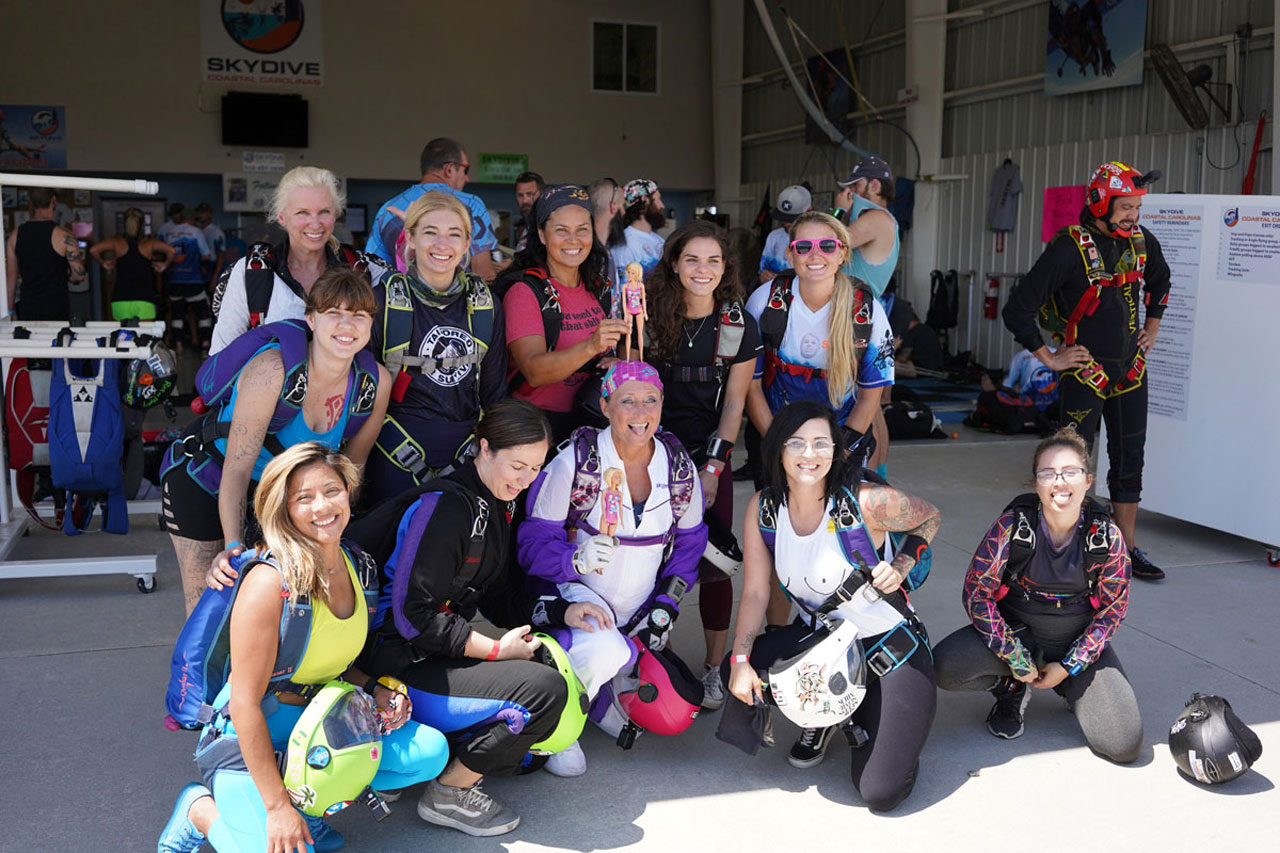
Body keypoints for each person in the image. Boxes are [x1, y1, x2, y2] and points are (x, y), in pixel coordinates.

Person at [157, 442, 449, 853]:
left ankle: (310, 811)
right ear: (283, 509)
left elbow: (329, 664)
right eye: (303, 497)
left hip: (321, 726)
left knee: (428, 753)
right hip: (253, 737)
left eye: (332, 490)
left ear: (348, 492)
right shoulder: (269, 583)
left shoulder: (357, 565)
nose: (322, 506)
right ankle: (202, 811)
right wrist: (277, 809)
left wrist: (375, 689)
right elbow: (244, 704)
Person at [348, 399, 612, 837]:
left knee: (544, 683)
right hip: (397, 662)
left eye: (535, 469)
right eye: (517, 466)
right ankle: (449, 793)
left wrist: (563, 611)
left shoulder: (494, 503)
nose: (525, 481)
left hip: (431, 652)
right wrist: (494, 649)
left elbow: (501, 596)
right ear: (484, 448)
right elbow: (413, 616)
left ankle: (435, 760)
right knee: (545, 693)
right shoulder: (449, 507)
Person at [724, 401, 941, 812]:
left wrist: (900, 563)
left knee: (879, 791)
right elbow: (755, 593)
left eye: (821, 443)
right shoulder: (765, 509)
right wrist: (739, 658)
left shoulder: (865, 502)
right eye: (797, 443)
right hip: (826, 646)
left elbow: (929, 518)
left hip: (888, 650)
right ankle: (827, 714)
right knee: (743, 668)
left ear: (838, 451)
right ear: (778, 450)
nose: (810, 454)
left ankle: (856, 714)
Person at [161, 268, 391, 614]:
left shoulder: (374, 383)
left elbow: (349, 475)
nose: (347, 326)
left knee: (283, 614)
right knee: (211, 610)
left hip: (278, 496)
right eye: (334, 314)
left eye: (359, 315)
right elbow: (236, 471)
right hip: (205, 481)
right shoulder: (273, 370)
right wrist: (234, 547)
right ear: (311, 320)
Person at [518, 361, 708, 777]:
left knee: (673, 711)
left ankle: (602, 688)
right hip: (576, 596)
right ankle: (553, 725)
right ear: (605, 405)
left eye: (650, 401)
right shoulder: (575, 463)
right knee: (607, 649)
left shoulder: (679, 468)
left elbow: (690, 546)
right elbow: (531, 546)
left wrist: (666, 607)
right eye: (627, 401)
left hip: (641, 607)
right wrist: (575, 559)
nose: (640, 414)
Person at [931, 426, 1141, 763]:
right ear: (1036, 484)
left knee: (1124, 744)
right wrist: (1014, 656)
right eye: (1048, 473)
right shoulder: (1014, 526)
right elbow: (976, 594)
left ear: (1088, 481)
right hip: (1017, 634)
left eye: (1071, 472)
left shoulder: (1107, 537)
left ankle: (1070, 686)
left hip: (1074, 641)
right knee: (945, 666)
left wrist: (1071, 665)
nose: (1060, 482)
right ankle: (1011, 688)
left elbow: (1112, 612)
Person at [1002, 161, 1170, 580]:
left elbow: (1161, 282)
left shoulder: (1140, 243)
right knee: (1070, 466)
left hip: (1130, 372)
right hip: (1084, 373)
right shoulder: (1069, 249)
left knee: (1130, 461)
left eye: (1136, 207)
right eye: (1126, 207)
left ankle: (1124, 554)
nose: (1134, 215)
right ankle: (1065, 550)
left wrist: (1152, 328)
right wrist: (1050, 357)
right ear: (1100, 203)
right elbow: (1017, 308)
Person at [644, 220, 762, 708]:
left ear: (725, 268)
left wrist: (713, 469)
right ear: (674, 263)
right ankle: (658, 658)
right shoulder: (648, 316)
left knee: (717, 565)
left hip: (710, 453)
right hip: (651, 454)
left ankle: (715, 668)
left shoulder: (737, 323)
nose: (703, 269)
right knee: (651, 560)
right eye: (692, 259)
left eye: (713, 260)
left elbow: (735, 404)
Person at [363, 191, 507, 507]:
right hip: (393, 455)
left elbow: (495, 395)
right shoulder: (382, 302)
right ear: (411, 238)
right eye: (430, 232)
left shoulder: (485, 307)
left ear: (468, 243)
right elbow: (360, 396)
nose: (442, 245)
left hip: (468, 457)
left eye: (454, 235)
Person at [745, 208, 895, 513]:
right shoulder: (765, 301)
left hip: (842, 439)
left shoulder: (867, 311)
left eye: (827, 246)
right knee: (778, 526)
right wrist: (781, 446)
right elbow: (751, 387)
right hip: (775, 433)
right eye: (804, 247)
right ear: (790, 254)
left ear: (842, 253)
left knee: (835, 528)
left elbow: (869, 398)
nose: (816, 255)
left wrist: (838, 455)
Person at [210, 166, 388, 354]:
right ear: (281, 217)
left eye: (324, 212)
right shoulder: (252, 273)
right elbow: (219, 361)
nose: (315, 223)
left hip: (346, 383)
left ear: (336, 214)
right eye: (302, 212)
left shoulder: (365, 271)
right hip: (268, 382)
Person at [503, 185, 627, 443]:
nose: (574, 240)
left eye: (582, 229)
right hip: (540, 431)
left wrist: (618, 365)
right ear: (542, 234)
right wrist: (591, 345)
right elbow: (534, 371)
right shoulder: (525, 292)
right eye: (561, 231)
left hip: (595, 424)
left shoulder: (598, 287)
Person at [366, 137, 498, 282]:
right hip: (460, 303)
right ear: (449, 169)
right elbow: (484, 275)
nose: (467, 179)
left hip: (399, 301)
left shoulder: (388, 209)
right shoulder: (472, 205)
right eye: (465, 170)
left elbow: (373, 269)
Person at [5, 187, 85, 320]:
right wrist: (69, 276)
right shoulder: (64, 236)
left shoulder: (15, 235)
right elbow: (79, 275)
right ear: (53, 201)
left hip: (28, 306)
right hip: (56, 307)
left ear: (30, 201)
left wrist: (10, 312)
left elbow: (10, 278)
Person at [89, 207, 173, 322]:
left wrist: (103, 263)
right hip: (144, 300)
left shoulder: (116, 242)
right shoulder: (149, 243)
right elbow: (171, 251)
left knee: (123, 338)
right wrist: (164, 265)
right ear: (142, 224)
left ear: (124, 223)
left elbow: (93, 250)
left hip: (120, 300)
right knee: (145, 338)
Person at [833, 156, 899, 300]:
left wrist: (839, 211)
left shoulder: (878, 219)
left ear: (874, 185)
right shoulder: (879, 219)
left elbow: (827, 246)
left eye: (856, 185)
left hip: (853, 308)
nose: (851, 192)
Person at [156, 204, 214, 352]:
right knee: (203, 314)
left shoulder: (169, 233)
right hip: (193, 280)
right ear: (191, 219)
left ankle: (179, 346)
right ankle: (205, 342)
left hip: (174, 279)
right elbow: (207, 254)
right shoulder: (196, 232)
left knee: (177, 315)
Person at [609, 179, 667, 277]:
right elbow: (623, 284)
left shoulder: (658, 239)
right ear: (645, 200)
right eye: (658, 199)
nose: (662, 206)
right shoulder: (625, 245)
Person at [758, 185, 811, 284]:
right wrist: (763, 276)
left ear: (808, 212)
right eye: (783, 218)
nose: (786, 223)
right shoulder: (773, 237)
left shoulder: (816, 240)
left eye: (791, 219)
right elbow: (762, 270)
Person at [195, 201, 228, 285]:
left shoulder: (216, 232)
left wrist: (215, 279)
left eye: (204, 212)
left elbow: (221, 256)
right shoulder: (197, 230)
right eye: (199, 212)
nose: (200, 215)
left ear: (210, 214)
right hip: (201, 268)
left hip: (212, 268)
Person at [512, 171, 544, 254]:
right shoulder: (528, 226)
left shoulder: (547, 225)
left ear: (541, 194)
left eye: (529, 194)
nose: (525, 200)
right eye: (520, 195)